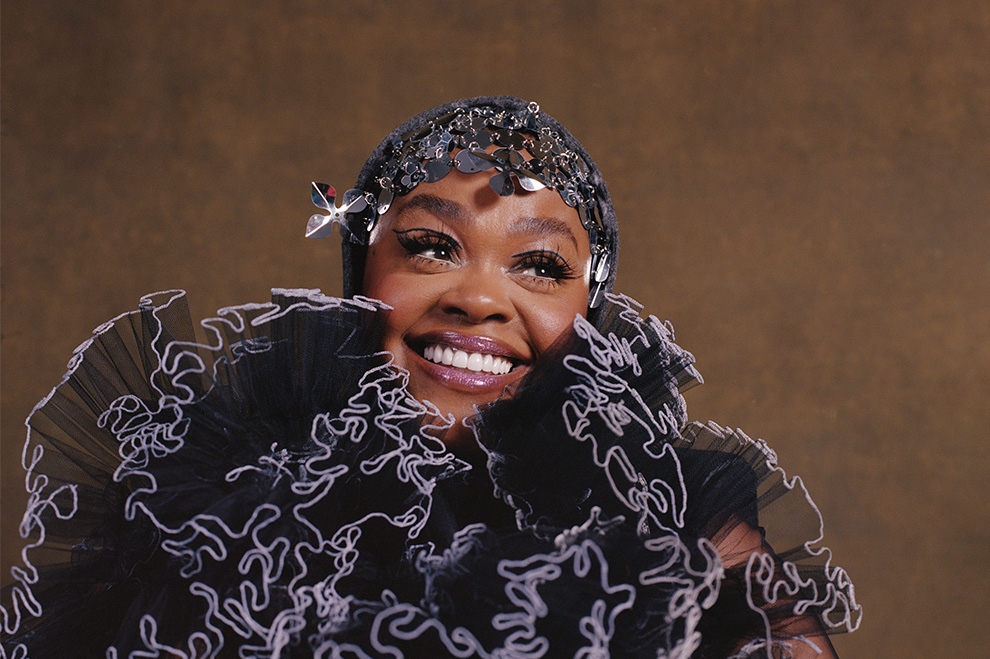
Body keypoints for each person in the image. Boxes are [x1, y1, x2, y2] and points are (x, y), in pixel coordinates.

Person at [1, 96, 860, 658]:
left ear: (590, 311)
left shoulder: (681, 504)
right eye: (431, 247)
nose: (478, 298)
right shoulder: (221, 505)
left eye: (539, 265)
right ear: (360, 276)